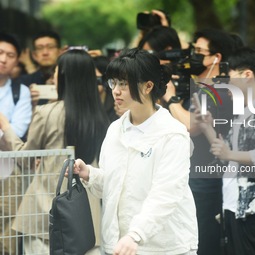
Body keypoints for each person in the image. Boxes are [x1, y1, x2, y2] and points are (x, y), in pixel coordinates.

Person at [72, 48, 198, 255]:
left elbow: (166, 194)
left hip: (165, 247)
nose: (116, 91)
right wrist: (90, 174)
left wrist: (136, 234)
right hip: (120, 244)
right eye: (114, 83)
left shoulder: (172, 134)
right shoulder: (115, 129)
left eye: (124, 83)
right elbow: (115, 186)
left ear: (148, 86)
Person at [0, 49, 110, 255]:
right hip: (88, 217)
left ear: (65, 77)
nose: (53, 77)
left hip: (45, 213)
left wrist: (6, 126)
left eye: (57, 72)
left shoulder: (47, 112)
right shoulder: (101, 118)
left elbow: (25, 158)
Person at [195, 47, 255, 255]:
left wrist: (229, 154)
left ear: (247, 75)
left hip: (254, 210)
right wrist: (207, 126)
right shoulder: (244, 111)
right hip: (234, 205)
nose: (226, 82)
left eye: (231, 75)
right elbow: (225, 152)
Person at [188, 28, 239, 255]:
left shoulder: (215, 90)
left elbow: (191, 127)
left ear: (216, 57)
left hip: (207, 176)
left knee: (203, 238)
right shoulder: (204, 86)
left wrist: (170, 101)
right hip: (203, 173)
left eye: (200, 51)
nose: (194, 55)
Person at [0, 31, 32, 255]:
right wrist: (4, 126)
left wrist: (8, 128)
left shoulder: (20, 92)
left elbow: (18, 130)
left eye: (10, 55)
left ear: (17, 60)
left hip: (8, 173)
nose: (3, 59)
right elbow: (9, 132)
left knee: (8, 226)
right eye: (0, 52)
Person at [19, 30, 62, 106]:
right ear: (34, 55)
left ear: (60, 52)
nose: (45, 53)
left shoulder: (69, 80)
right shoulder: (24, 82)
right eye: (40, 48)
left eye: (50, 47)